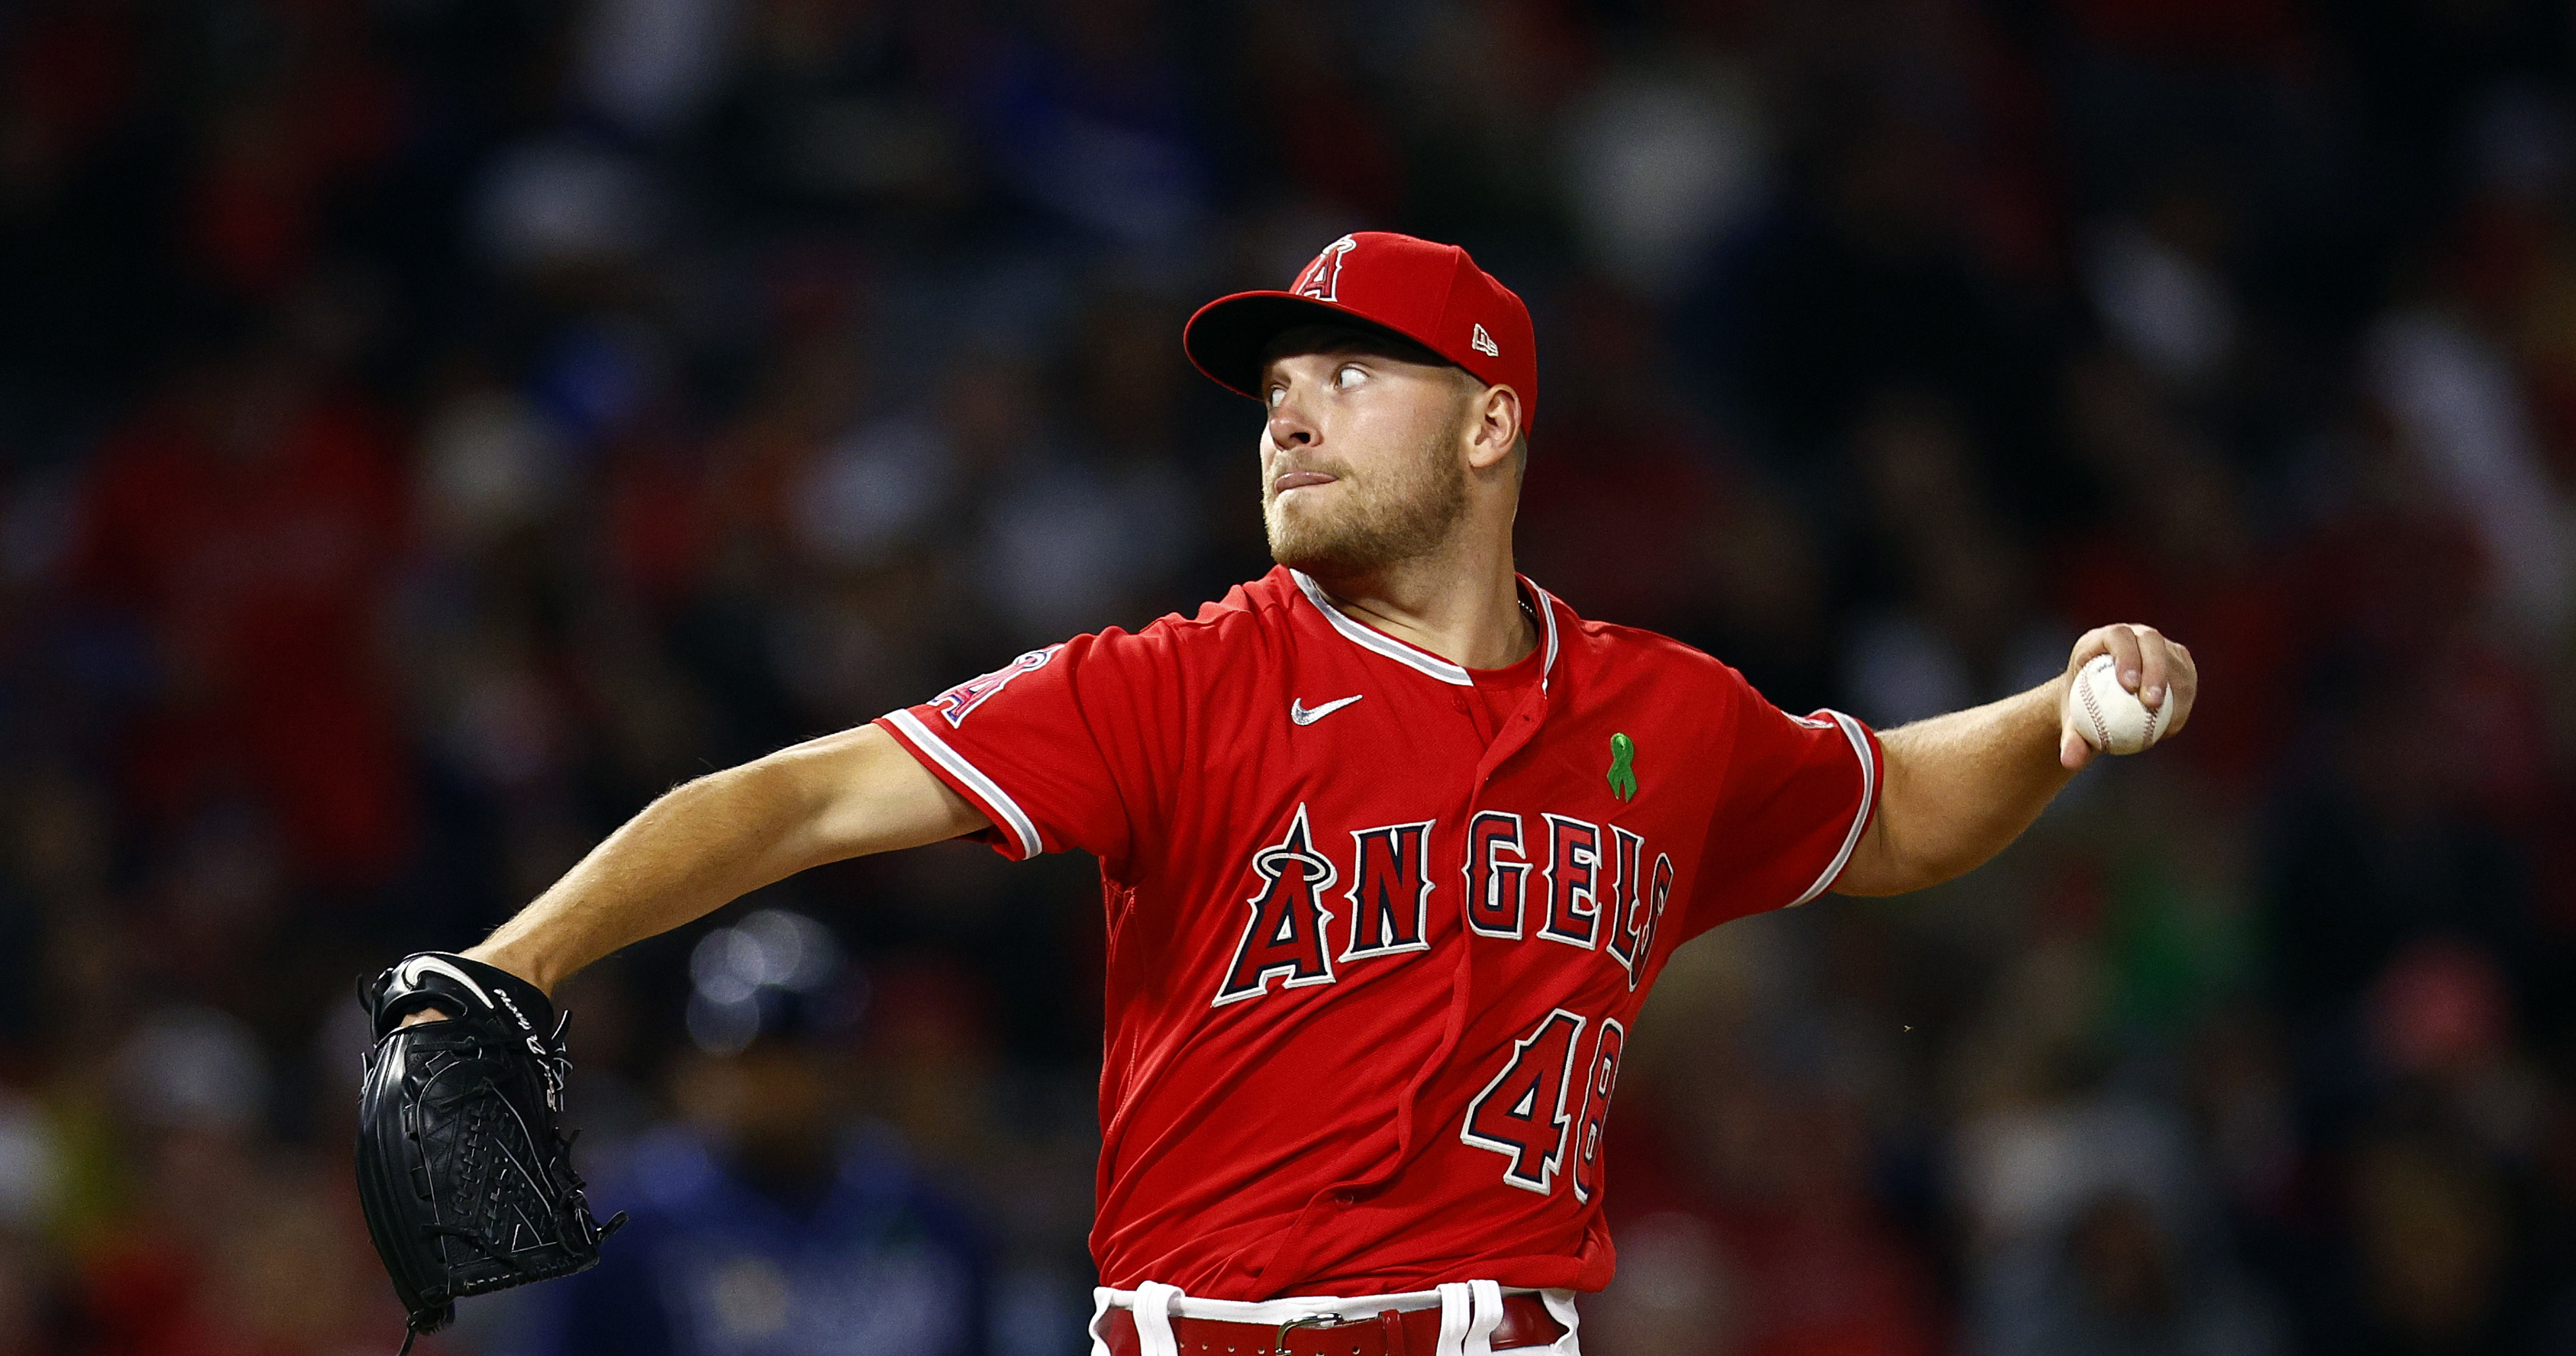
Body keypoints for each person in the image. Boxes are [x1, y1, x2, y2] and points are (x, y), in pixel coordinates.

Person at [401, 231, 2198, 1356]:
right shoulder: (1176, 683)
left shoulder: (1668, 714)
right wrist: (522, 956)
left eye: (1350, 372)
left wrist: (2054, 712)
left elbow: (1887, 812)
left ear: (1491, 420)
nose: (1290, 413)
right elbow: (795, 803)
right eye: (1276, 386)